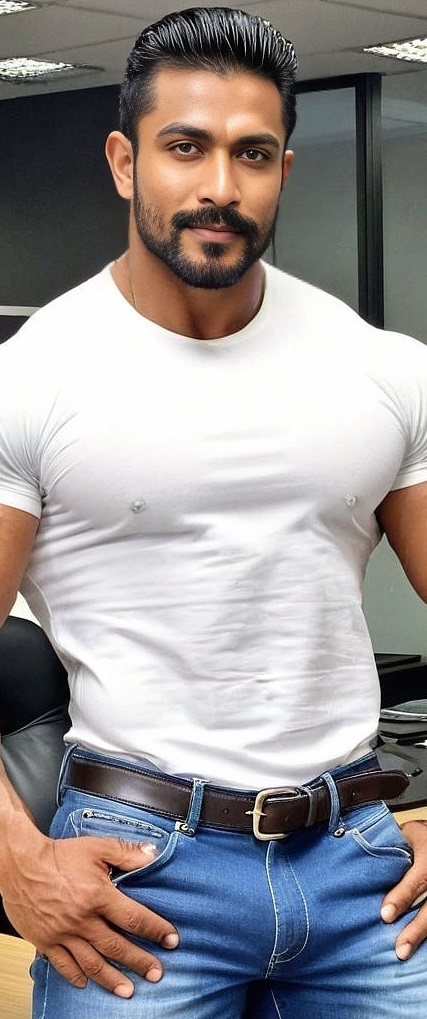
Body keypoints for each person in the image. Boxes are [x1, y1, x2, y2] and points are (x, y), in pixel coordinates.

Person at [1, 6, 427, 1017]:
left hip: (359, 864)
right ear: (124, 162)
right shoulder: (32, 379)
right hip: (136, 873)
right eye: (185, 147)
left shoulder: (383, 370)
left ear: (284, 168)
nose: (221, 186)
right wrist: (15, 855)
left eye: (253, 153)